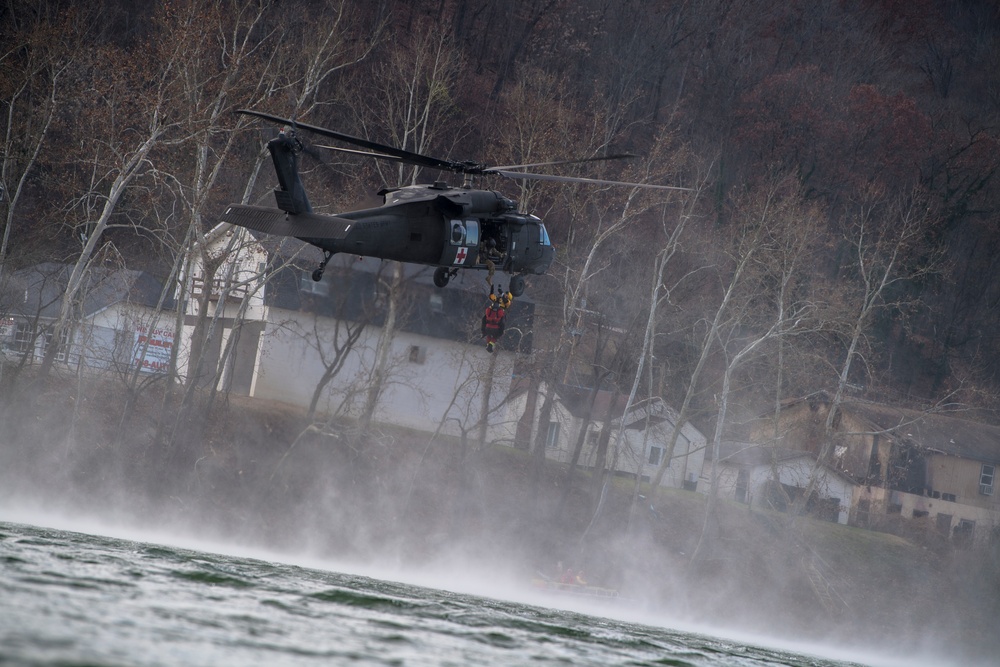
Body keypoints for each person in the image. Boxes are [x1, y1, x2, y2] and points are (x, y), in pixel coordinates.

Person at [481, 288, 513, 353]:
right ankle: (489, 344)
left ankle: (488, 344)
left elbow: (506, 302)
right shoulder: (499, 300)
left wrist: (502, 294)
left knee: (488, 331)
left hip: (493, 320)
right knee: (497, 334)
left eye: (507, 295)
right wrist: (492, 290)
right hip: (496, 320)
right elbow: (492, 297)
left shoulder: (507, 302)